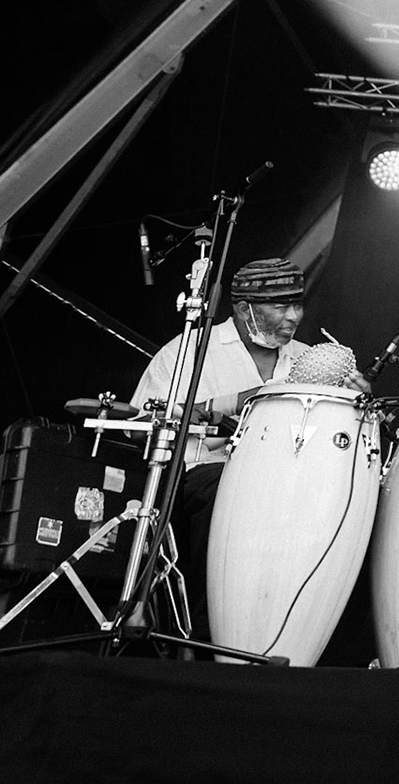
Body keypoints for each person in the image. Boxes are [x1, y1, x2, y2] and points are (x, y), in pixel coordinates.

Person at [130, 257, 354, 640]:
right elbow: (140, 426)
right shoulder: (189, 352)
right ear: (242, 308)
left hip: (290, 485)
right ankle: (208, 633)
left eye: (297, 305)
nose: (293, 317)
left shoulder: (307, 358)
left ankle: (304, 636)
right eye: (281, 306)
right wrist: (246, 399)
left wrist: (351, 403)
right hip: (200, 483)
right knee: (229, 486)